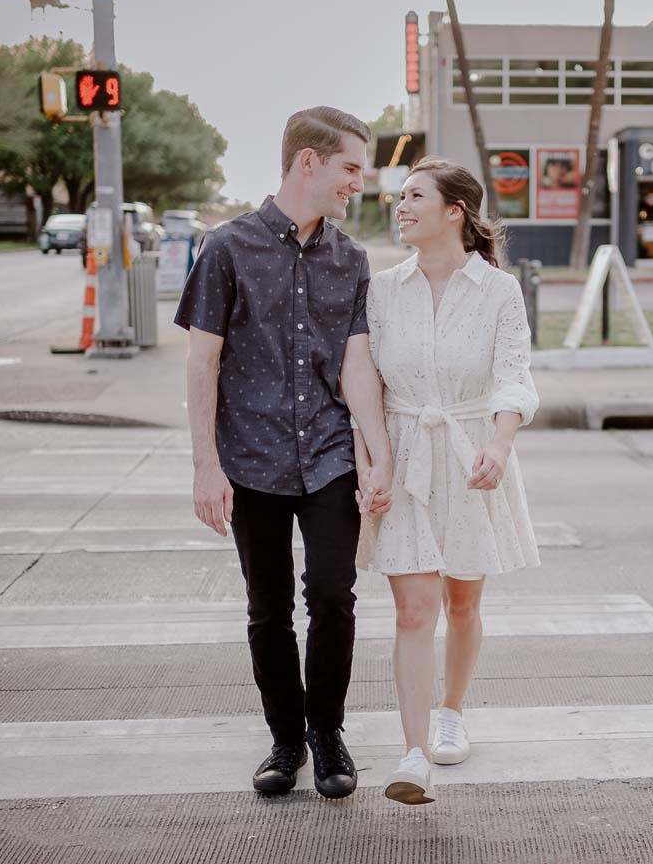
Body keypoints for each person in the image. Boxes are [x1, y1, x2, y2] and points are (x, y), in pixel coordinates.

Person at [175, 106, 394, 800]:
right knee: (267, 607)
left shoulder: (351, 259)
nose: (358, 183)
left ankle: (327, 734)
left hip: (328, 454)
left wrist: (379, 455)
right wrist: (205, 466)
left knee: (333, 593)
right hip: (251, 458)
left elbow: (358, 365)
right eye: (350, 168)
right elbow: (201, 363)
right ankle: (285, 739)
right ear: (309, 161)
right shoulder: (227, 247)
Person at [350, 156, 540, 805]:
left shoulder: (499, 292)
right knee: (413, 608)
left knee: (461, 603)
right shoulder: (382, 289)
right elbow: (365, 387)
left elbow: (514, 375)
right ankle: (413, 753)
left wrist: (500, 442)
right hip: (402, 457)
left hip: (469, 458)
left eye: (413, 196)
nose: (399, 207)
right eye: (398, 198)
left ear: (453, 211)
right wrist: (370, 463)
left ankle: (452, 709)